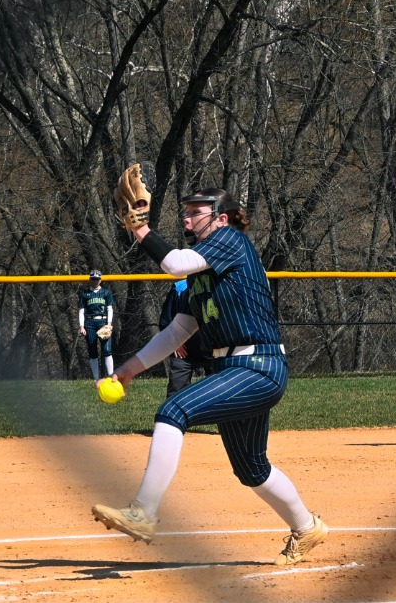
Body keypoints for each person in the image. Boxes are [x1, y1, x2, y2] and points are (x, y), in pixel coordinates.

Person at [92, 186, 327, 566]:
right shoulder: (201, 277)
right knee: (251, 469)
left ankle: (143, 512)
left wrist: (139, 227)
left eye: (196, 211)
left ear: (221, 218)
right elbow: (177, 331)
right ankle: (307, 528)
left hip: (258, 365)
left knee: (173, 411)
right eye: (186, 211)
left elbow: (174, 263)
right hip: (233, 368)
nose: (187, 218)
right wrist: (129, 369)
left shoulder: (230, 239)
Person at [77, 270, 116, 380]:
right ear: (90, 279)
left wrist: (109, 323)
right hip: (89, 323)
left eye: (97, 279)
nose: (95, 281)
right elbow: (81, 311)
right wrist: (81, 326)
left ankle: (111, 376)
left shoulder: (106, 293)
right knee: (92, 350)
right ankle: (96, 378)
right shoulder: (85, 294)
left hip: (103, 322)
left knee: (107, 350)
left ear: (100, 280)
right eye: (93, 279)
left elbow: (109, 309)